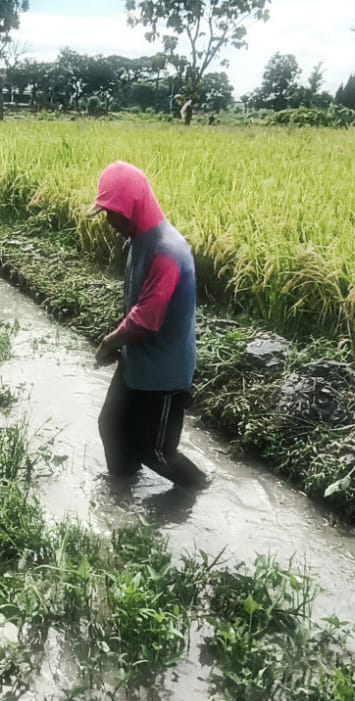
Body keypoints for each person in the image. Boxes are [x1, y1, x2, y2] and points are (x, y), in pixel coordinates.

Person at [89, 161, 207, 489]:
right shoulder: (137, 240)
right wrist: (120, 345)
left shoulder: (168, 251)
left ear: (133, 206)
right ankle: (123, 493)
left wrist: (110, 342)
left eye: (113, 212)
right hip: (137, 362)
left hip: (164, 373)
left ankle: (201, 489)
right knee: (111, 425)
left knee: (155, 451)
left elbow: (146, 319)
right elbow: (134, 303)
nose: (109, 220)